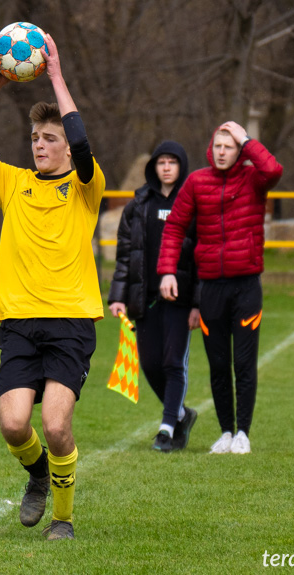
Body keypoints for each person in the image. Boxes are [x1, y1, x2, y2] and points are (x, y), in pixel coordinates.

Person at [0, 34, 105, 540]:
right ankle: (37, 476)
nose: (40, 145)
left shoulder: (85, 184)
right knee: (15, 425)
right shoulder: (12, 182)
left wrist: (56, 76)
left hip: (71, 320)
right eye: (36, 138)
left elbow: (81, 143)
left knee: (57, 427)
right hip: (18, 321)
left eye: (49, 138)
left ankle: (63, 518)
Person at [158, 121, 283, 455]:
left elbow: (273, 169)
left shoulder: (254, 179)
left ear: (240, 149)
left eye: (230, 146)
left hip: (246, 287)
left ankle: (243, 432)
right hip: (211, 288)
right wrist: (167, 271)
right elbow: (174, 228)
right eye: (218, 146)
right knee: (217, 365)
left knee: (243, 363)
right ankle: (225, 432)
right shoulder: (197, 182)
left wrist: (246, 137)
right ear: (210, 149)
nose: (223, 151)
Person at [107, 141, 201, 453]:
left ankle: (166, 428)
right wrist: (117, 296)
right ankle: (182, 414)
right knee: (149, 364)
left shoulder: (192, 204)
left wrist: (198, 303)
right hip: (143, 299)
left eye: (173, 162)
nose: (166, 167)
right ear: (153, 167)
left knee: (173, 362)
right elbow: (125, 255)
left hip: (180, 298)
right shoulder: (138, 205)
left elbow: (202, 255)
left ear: (181, 166)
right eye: (161, 162)